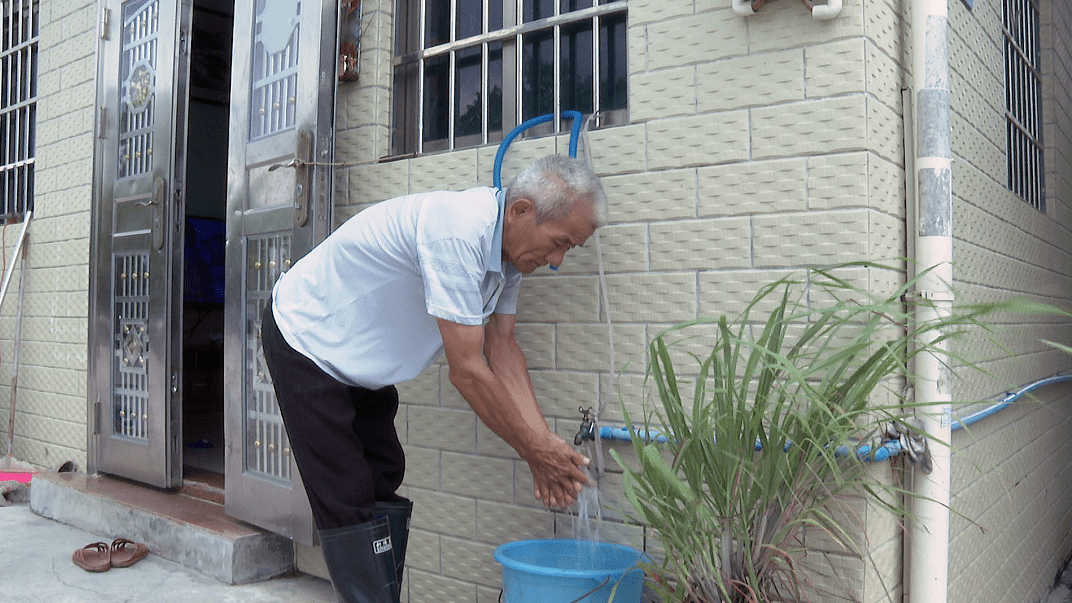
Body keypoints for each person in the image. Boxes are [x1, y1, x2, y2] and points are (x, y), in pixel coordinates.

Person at [260, 154, 607, 603]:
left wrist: (543, 444)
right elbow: (467, 370)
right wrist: (535, 451)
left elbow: (502, 348)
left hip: (360, 361)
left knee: (383, 471)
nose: (557, 259)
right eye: (558, 242)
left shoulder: (508, 259)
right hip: (306, 339)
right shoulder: (458, 229)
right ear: (521, 211)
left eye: (569, 249)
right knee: (346, 497)